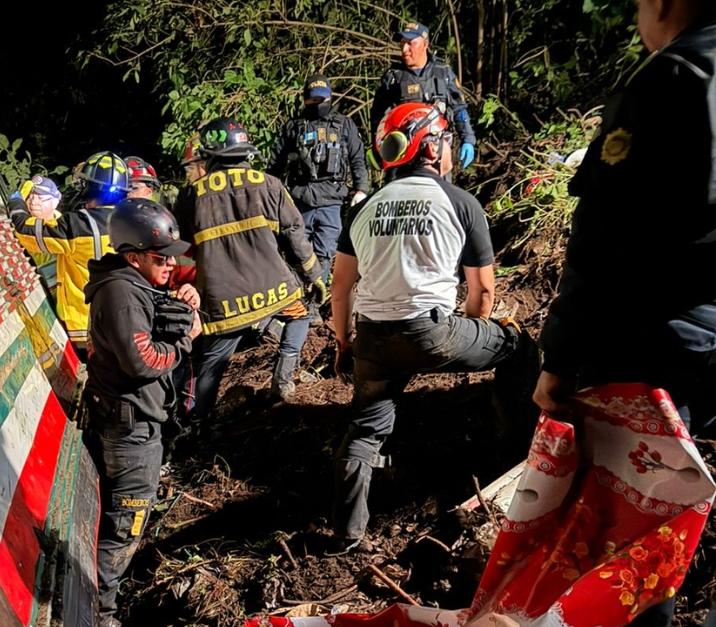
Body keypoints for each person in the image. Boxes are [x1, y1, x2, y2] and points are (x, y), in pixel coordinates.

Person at [533, 2, 716, 624]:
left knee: (641, 526)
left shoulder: (670, 78)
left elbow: (605, 237)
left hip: (661, 338)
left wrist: (559, 359)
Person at [329, 102, 523, 553]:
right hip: (434, 333)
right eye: (448, 141)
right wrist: (470, 336)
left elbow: (340, 289)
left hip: (373, 340)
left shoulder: (364, 208)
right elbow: (484, 295)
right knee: (518, 345)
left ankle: (347, 532)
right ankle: (515, 448)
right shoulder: (459, 202)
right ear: (432, 147)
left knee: (365, 428)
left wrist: (344, 343)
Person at [82, 197, 201, 627]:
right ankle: (99, 614)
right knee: (124, 526)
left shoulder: (131, 284)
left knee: (122, 516)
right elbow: (143, 360)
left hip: (132, 420)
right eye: (161, 258)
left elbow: (152, 325)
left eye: (172, 258)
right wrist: (185, 338)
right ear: (133, 257)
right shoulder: (120, 294)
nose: (171, 265)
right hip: (130, 428)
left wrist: (182, 302)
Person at [173, 117, 327, 414]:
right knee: (302, 314)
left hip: (223, 304)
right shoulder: (270, 184)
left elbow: (184, 247)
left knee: (211, 368)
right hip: (275, 292)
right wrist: (314, 277)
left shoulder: (191, 195)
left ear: (210, 155)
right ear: (246, 151)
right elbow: (296, 236)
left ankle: (196, 428)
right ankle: (282, 379)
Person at [10, 152, 129, 360]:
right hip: (124, 321)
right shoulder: (131, 220)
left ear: (88, 187)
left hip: (85, 327)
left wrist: (17, 202)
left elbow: (26, 231)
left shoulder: (80, 225)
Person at [269, 74, 370, 287]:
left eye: (321, 100)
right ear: (305, 99)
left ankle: (315, 301)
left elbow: (357, 158)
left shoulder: (343, 125)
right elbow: (275, 165)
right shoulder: (294, 127)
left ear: (329, 98)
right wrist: (269, 196)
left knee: (324, 252)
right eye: (312, 100)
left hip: (332, 199)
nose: (317, 104)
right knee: (298, 251)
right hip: (300, 199)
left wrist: (361, 189)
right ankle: (300, 299)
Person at [370, 22, 476, 170]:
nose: (405, 49)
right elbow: (377, 117)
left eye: (410, 43)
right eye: (402, 44)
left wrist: (468, 140)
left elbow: (459, 108)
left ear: (425, 44)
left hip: (436, 155)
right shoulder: (393, 77)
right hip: (402, 156)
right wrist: (378, 148)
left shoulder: (443, 72)